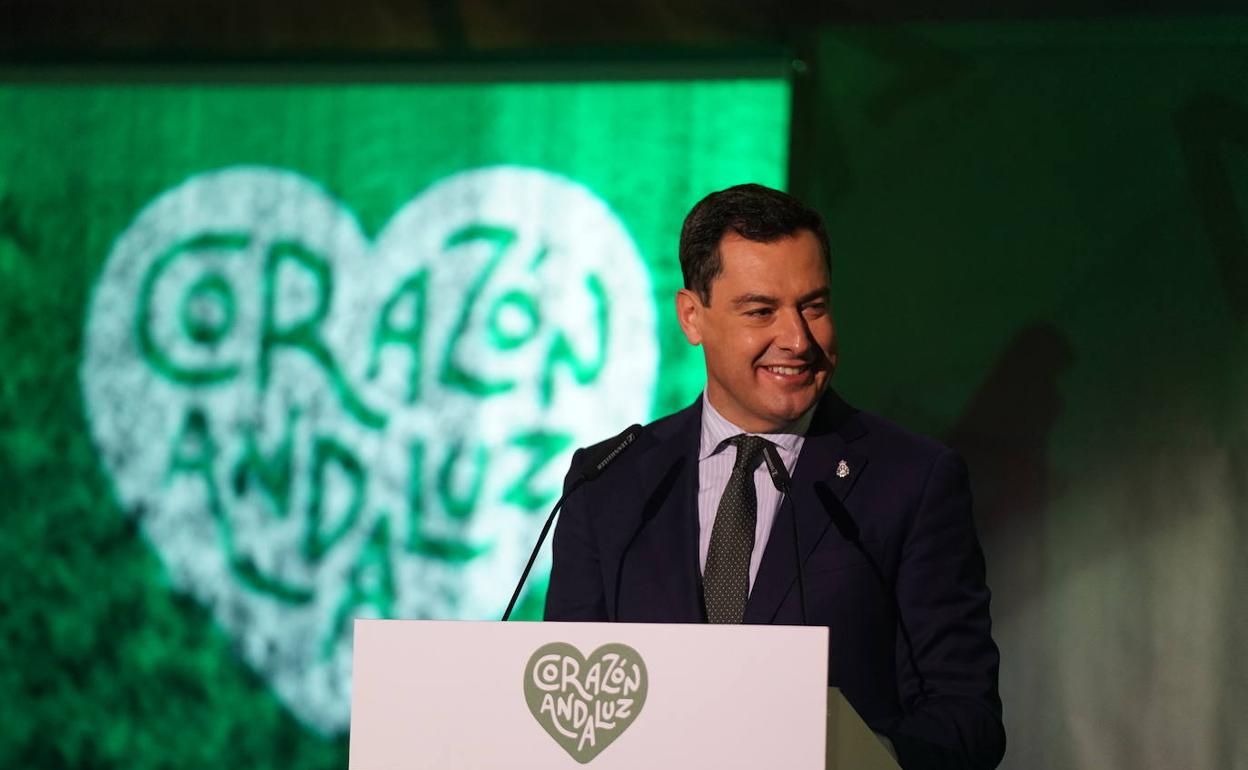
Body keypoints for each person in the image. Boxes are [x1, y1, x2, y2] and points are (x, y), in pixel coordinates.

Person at [545, 183, 1005, 769]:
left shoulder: (912, 481)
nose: (797, 339)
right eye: (761, 311)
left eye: (814, 307)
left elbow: (966, 716)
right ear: (692, 316)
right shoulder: (607, 480)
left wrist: (856, 757)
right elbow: (566, 700)